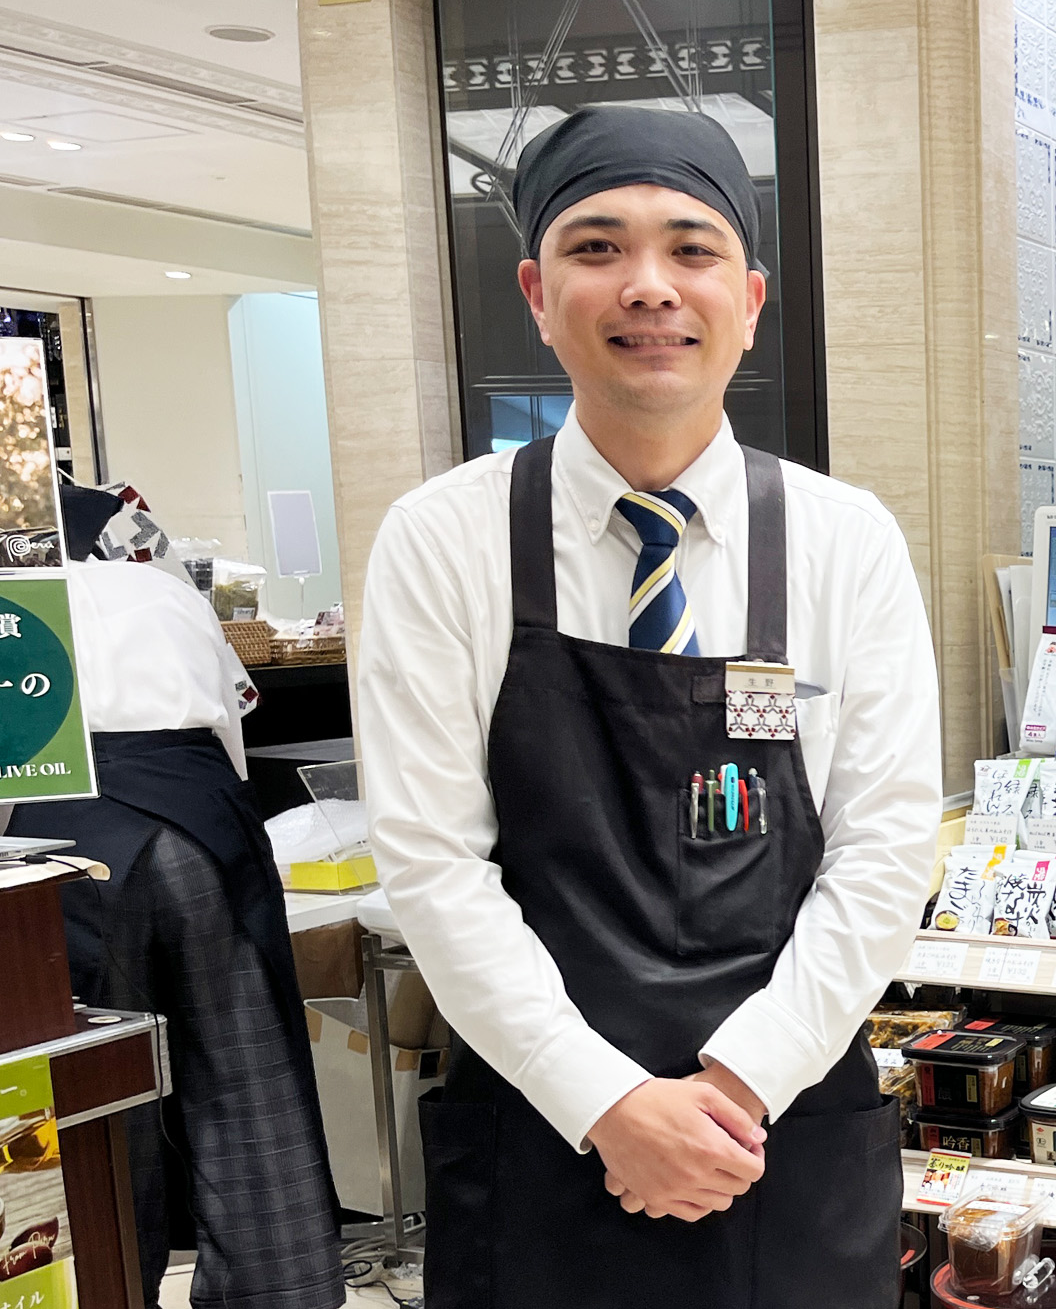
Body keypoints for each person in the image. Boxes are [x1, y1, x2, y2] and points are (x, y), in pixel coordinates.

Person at [355, 106, 942, 1309]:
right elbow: (431, 863)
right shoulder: (443, 537)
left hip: (782, 1125)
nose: (647, 287)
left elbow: (886, 848)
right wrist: (609, 1103)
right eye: (594, 247)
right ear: (533, 288)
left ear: (750, 295)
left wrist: (735, 1086)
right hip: (542, 1125)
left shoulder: (844, 539)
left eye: (690, 247)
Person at [12, 484, 343, 1309]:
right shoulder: (162, 589)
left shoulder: (21, 610)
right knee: (245, 1071)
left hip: (75, 839)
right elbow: (235, 726)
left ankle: (111, 1285)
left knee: (100, 1095)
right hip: (206, 819)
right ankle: (282, 1287)